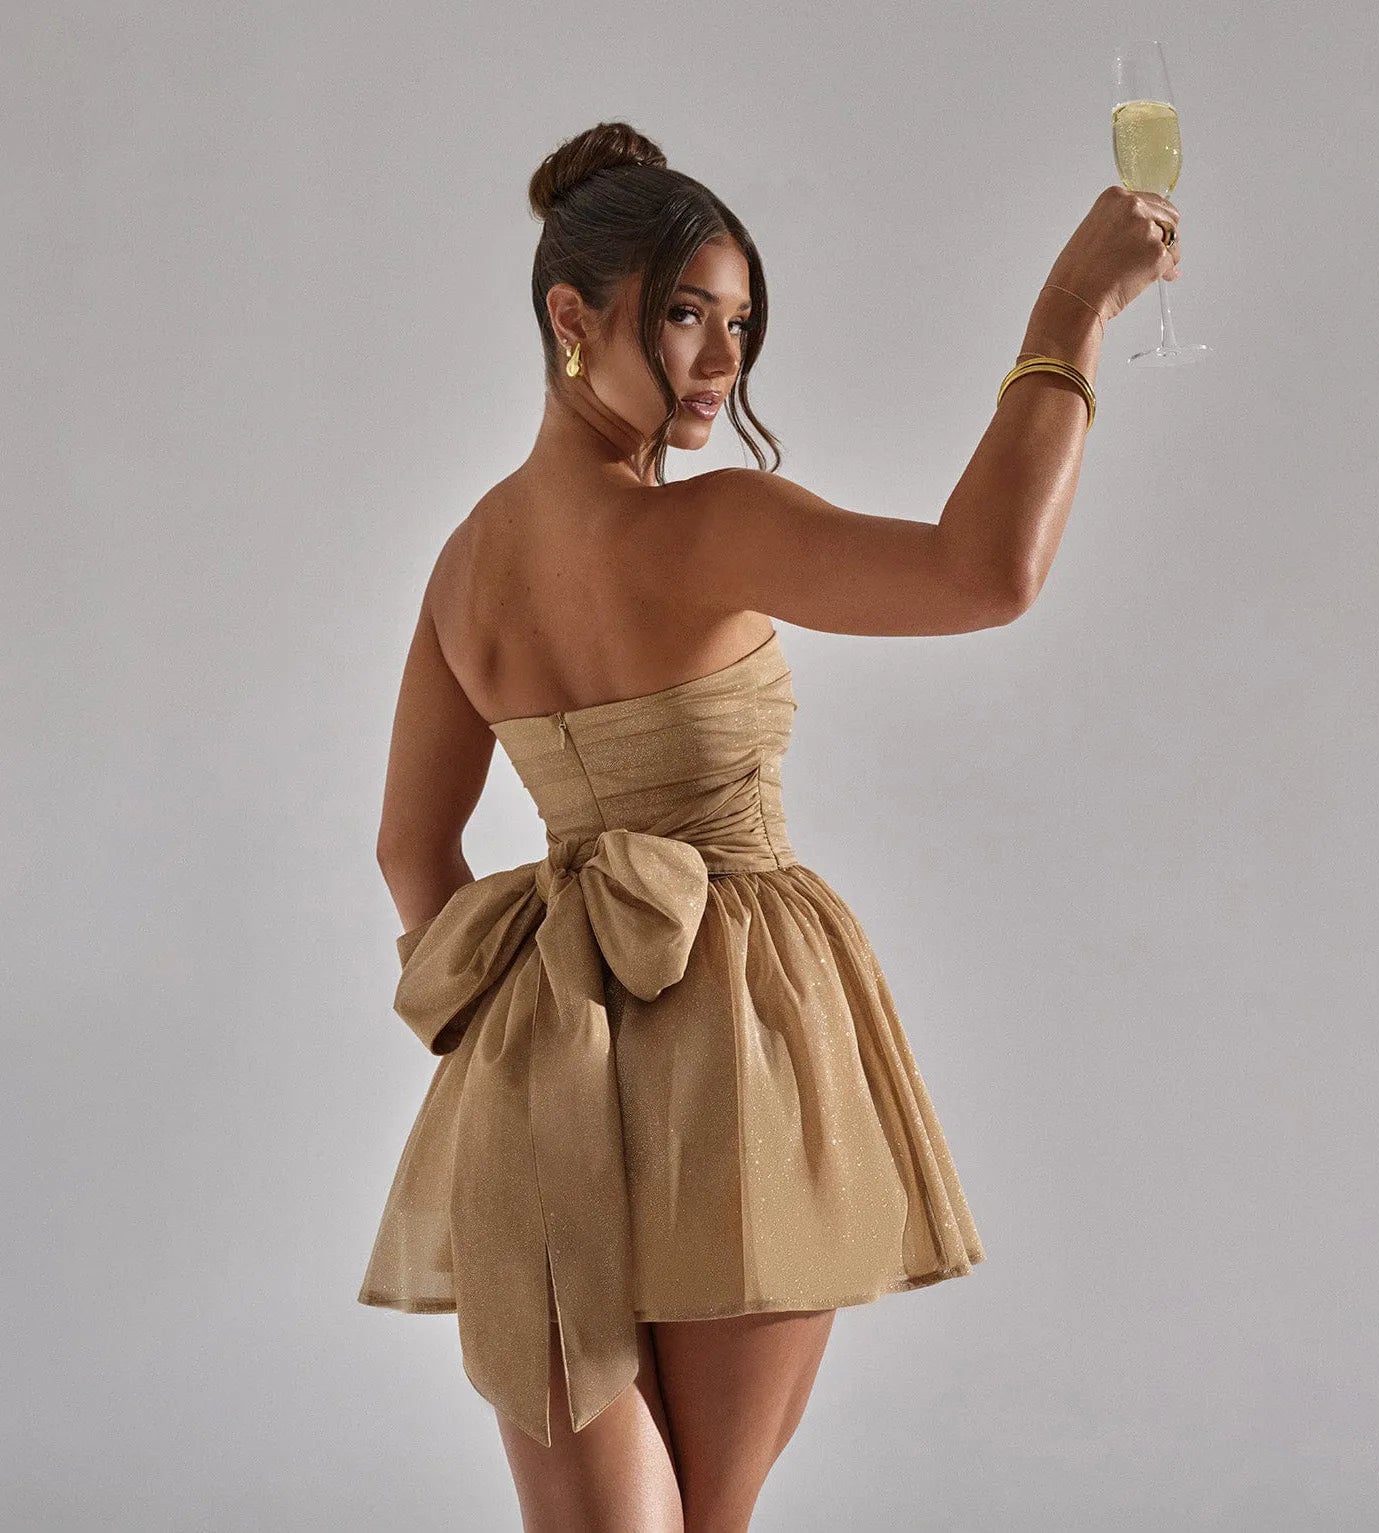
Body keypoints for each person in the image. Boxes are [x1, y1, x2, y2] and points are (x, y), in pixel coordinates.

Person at [361, 120, 1181, 1531]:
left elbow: (406, 854)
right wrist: (1071, 314)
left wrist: (510, 1018)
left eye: (738, 321)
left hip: (541, 1071)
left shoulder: (464, 564)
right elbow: (984, 572)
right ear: (572, 317)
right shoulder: (707, 527)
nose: (724, 358)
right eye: (684, 313)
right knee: (711, 1513)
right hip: (736, 1042)